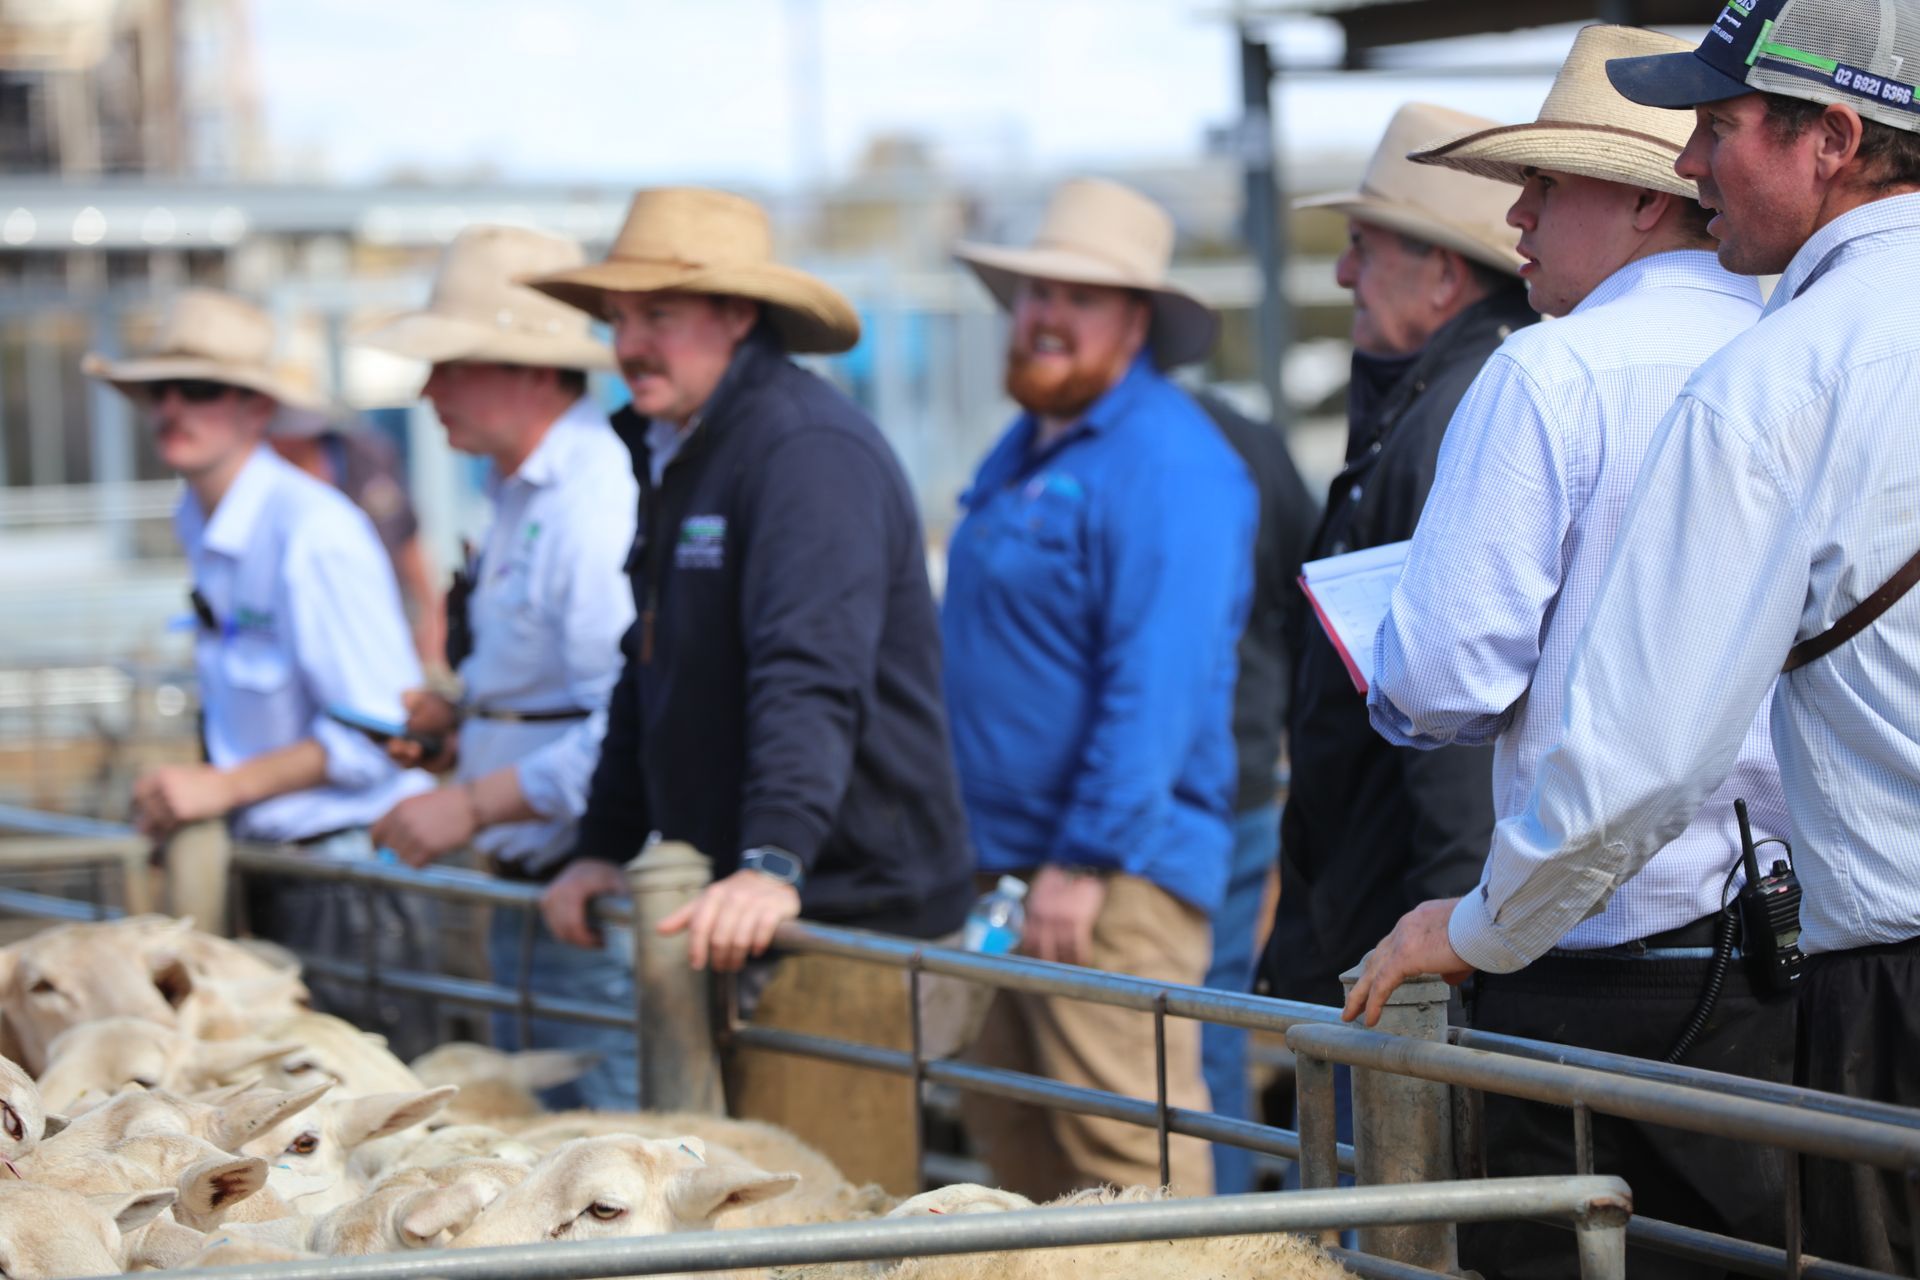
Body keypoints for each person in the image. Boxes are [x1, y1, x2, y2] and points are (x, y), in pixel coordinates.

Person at [1349, 1, 1920, 1267]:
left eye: (1720, 126)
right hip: (1786, 941)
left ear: (1833, 138)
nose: (1692, 157)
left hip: (1818, 964)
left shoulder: (1763, 380)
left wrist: (1485, 925)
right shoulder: (1776, 348)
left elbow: (1621, 749)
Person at [521, 186, 973, 975]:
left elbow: (810, 667)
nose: (629, 345)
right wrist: (603, 846)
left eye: (658, 315)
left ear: (737, 314)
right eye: (618, 319)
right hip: (754, 904)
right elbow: (649, 661)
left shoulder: (805, 453)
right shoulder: (687, 450)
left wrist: (773, 860)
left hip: (851, 915)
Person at [941, 177, 1256, 1199]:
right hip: (1011, 871)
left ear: (1136, 321)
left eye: (1079, 298)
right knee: (1018, 1156)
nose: (1045, 316)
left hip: (1106, 883)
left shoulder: (1169, 461)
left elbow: (1159, 682)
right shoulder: (1032, 440)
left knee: (1132, 1169)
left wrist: (1085, 857)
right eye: (1035, 292)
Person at [87, 289, 431, 1033]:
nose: (172, 408)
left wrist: (220, 787)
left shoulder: (313, 533)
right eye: (158, 390)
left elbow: (379, 733)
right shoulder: (203, 516)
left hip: (349, 884)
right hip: (288, 866)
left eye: (199, 389)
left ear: (256, 408)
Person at [359, 225, 641, 1110]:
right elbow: (589, 706)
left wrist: (471, 801)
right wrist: (463, 729)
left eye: (454, 362)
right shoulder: (534, 490)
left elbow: (627, 722)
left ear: (533, 370)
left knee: (600, 1153)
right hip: (550, 893)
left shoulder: (593, 502)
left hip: (584, 903)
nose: (430, 387)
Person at [1262, 103, 1536, 1013]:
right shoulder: (1436, 403)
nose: (1344, 273)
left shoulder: (1448, 419)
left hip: (1402, 945)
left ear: (1444, 275)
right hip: (1400, 920)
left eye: (1364, 248)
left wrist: (1444, 957)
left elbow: (1453, 721)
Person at [1192, 390, 1316, 1195]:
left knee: (1202, 1029)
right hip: (1241, 760)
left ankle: (1223, 1219)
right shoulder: (1248, 439)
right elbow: (1304, 596)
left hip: (1214, 779)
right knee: (1212, 1024)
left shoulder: (1209, 441)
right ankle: (1232, 1219)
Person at [270, 409, 444, 669]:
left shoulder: (367, 457)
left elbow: (407, 537)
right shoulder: (265, 480)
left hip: (385, 619)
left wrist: (433, 617)